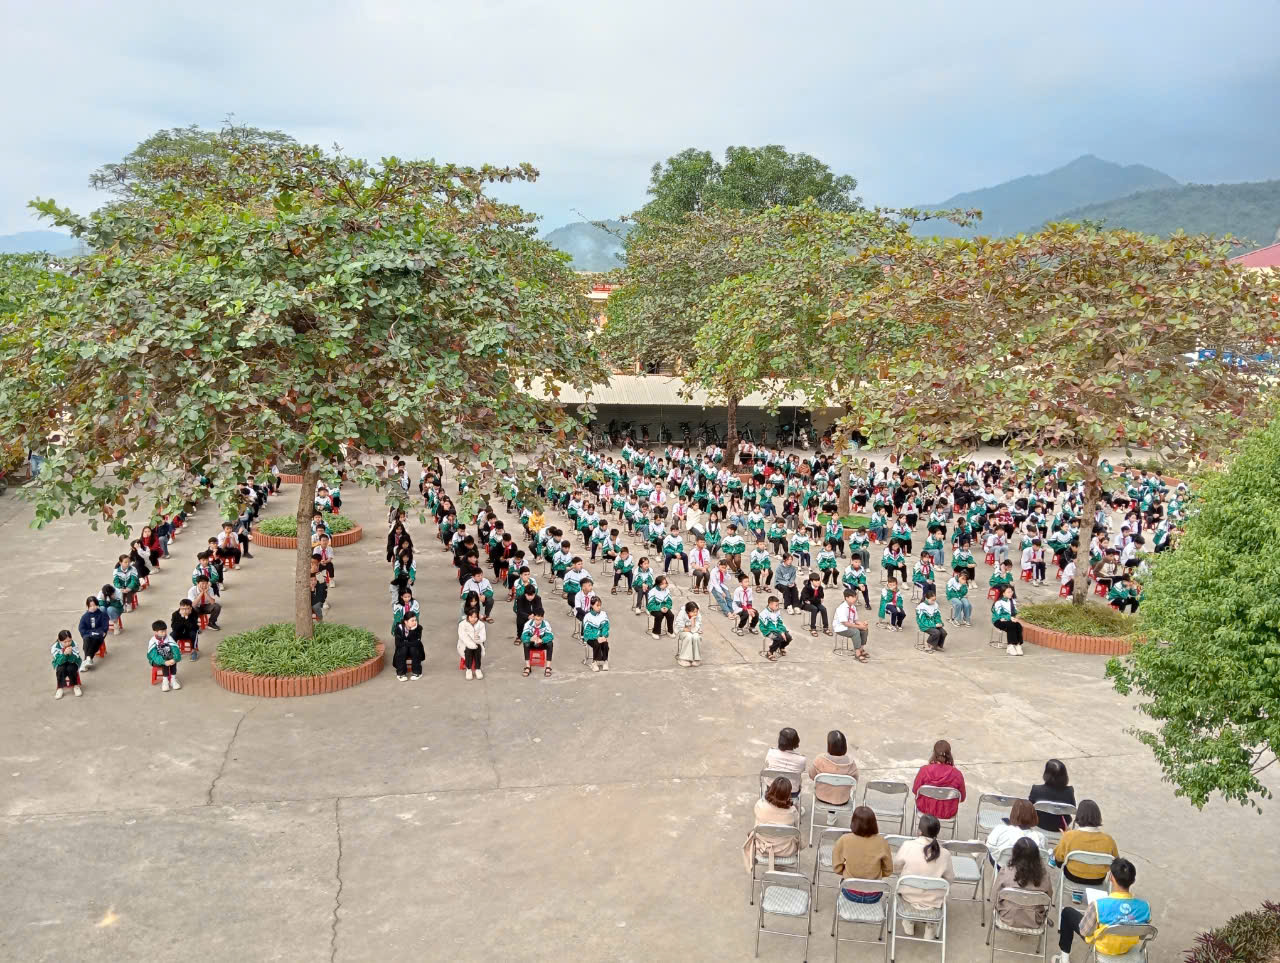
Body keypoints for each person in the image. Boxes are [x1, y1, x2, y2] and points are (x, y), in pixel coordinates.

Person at [1053, 858, 1150, 963]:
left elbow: (1085, 932)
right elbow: (1142, 935)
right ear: (1133, 881)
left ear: (1111, 877)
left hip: (1103, 948)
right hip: (1128, 948)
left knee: (1067, 913)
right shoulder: (1145, 907)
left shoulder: (1098, 905)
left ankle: (1064, 959)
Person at [893, 814, 955, 940]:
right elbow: (950, 879)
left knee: (902, 880)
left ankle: (909, 920)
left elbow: (896, 868)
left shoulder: (907, 846)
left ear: (919, 831)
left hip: (908, 896)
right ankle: (930, 926)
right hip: (933, 900)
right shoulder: (945, 854)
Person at [1052, 799, 1119, 888]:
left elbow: (1058, 859)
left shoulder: (1069, 836)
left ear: (1078, 816)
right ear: (1098, 816)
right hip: (1097, 879)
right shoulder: (1109, 840)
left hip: (1073, 876)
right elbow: (1116, 863)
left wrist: (1065, 838)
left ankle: (1076, 893)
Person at [832, 806, 893, 903]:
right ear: (874, 823)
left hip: (850, 892)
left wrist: (848, 872)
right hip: (874, 895)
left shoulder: (844, 839)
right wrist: (875, 875)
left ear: (853, 821)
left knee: (842, 882)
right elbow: (888, 870)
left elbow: (837, 867)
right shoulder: (882, 842)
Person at [743, 776, 802, 873]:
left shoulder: (760, 805)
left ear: (771, 789)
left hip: (763, 849)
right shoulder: (792, 812)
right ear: (788, 794)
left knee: (753, 830)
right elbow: (796, 825)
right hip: (786, 851)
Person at [994, 838, 1055, 929]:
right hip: (1034, 919)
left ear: (1015, 853)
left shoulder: (1006, 871)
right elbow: (1049, 897)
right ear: (1037, 855)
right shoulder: (1044, 875)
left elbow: (995, 894)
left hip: (1008, 915)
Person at [912, 739, 966, 821]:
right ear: (949, 754)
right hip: (947, 812)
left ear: (934, 753)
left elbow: (916, 791)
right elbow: (962, 798)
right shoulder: (957, 774)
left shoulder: (924, 770)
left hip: (925, 809)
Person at [986, 799, 1046, 868]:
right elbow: (1043, 856)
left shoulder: (1000, 829)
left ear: (1013, 813)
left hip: (1002, 866)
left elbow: (989, 847)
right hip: (1029, 871)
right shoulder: (1040, 837)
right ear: (1034, 816)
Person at [808, 730, 859, 807]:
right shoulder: (851, 764)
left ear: (829, 746)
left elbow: (812, 775)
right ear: (845, 746)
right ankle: (831, 817)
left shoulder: (819, 760)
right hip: (842, 799)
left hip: (821, 796)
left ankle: (831, 816)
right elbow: (854, 781)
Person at [1029, 759, 1077, 834]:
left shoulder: (1036, 790)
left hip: (1040, 825)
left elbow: (1030, 809)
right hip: (1060, 828)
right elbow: (1072, 809)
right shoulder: (1069, 791)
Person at [764, 727, 806, 796]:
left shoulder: (771, 753)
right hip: (791, 792)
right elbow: (801, 770)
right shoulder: (801, 759)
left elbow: (767, 764)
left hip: (771, 789)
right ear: (796, 741)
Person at [146, 620, 182, 692]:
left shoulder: (169, 638)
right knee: (166, 660)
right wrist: (164, 662)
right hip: (155, 661)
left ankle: (173, 679)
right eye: (162, 631)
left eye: (165, 631)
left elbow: (176, 650)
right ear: (156, 632)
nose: (164, 633)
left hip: (169, 658)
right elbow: (154, 656)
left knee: (171, 658)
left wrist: (175, 659)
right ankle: (165, 681)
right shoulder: (152, 641)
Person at [77, 596, 110, 669]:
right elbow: (81, 628)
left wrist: (98, 632)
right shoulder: (85, 616)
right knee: (86, 639)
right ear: (87, 606)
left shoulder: (102, 615)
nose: (93, 607)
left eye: (94, 605)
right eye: (91, 606)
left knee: (95, 639)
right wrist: (90, 633)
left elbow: (104, 627)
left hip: (99, 634)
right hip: (88, 635)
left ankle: (86, 660)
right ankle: (88, 659)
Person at [520, 611, 555, 677]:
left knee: (550, 643)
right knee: (526, 643)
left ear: (543, 618)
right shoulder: (528, 624)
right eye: (536, 619)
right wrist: (530, 639)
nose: (537, 622)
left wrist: (542, 640)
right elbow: (523, 636)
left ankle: (548, 667)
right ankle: (528, 667)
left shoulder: (546, 624)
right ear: (533, 617)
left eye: (540, 620)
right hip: (532, 644)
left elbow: (551, 636)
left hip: (541, 643)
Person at [758, 595, 792, 660]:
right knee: (778, 638)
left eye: (778, 605)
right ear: (770, 604)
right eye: (776, 605)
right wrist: (780, 632)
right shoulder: (764, 613)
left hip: (777, 629)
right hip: (767, 630)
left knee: (788, 637)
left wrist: (782, 630)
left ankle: (781, 647)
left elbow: (779, 622)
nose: (778, 607)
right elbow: (769, 626)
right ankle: (770, 652)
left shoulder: (777, 611)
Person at [51, 630, 83, 699]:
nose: (68, 643)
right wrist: (64, 654)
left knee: (71, 668)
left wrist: (71, 654)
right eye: (65, 642)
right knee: (60, 669)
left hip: (73, 662)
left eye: (69, 641)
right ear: (60, 641)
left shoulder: (74, 644)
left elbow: (75, 658)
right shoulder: (55, 647)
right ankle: (60, 688)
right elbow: (59, 661)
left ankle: (75, 685)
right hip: (60, 662)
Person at [992, 585, 1024, 656]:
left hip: (1009, 620)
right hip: (998, 620)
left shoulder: (1012, 601)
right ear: (1003, 593)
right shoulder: (998, 602)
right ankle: (1010, 646)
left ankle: (1017, 645)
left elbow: (1015, 612)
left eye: (1011, 591)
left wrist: (1017, 616)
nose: (1011, 593)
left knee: (1019, 626)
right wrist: (1009, 618)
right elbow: (999, 615)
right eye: (1008, 592)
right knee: (1011, 625)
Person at [393, 612, 425, 681]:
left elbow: (417, 643)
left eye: (415, 620)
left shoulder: (418, 628)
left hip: (414, 650)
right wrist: (409, 643)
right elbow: (398, 644)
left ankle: (417, 673)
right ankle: (401, 674)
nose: (414, 622)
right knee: (403, 648)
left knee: (413, 648)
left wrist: (413, 630)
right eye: (412, 620)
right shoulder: (399, 628)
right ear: (406, 622)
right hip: (402, 651)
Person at [582, 596, 611, 671]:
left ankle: (605, 661)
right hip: (590, 637)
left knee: (605, 643)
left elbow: (606, 627)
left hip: (601, 637)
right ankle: (594, 662)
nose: (599, 607)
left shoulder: (603, 614)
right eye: (597, 605)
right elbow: (587, 632)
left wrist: (604, 636)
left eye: (600, 605)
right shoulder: (587, 617)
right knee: (596, 643)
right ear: (592, 605)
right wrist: (597, 637)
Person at [457, 609, 486, 680]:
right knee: (469, 649)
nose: (473, 619)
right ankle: (469, 669)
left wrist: (478, 638)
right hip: (465, 644)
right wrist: (471, 644)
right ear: (468, 616)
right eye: (471, 617)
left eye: (475, 617)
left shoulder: (481, 624)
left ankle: (478, 669)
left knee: (478, 648)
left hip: (477, 643)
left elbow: (483, 637)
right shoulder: (462, 624)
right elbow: (463, 636)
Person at [915, 585, 946, 651]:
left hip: (934, 624)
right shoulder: (921, 607)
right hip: (924, 625)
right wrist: (934, 625)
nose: (934, 602)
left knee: (943, 632)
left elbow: (937, 615)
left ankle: (938, 645)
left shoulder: (935, 605)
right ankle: (928, 644)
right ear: (926, 598)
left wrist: (939, 622)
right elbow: (923, 621)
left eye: (935, 600)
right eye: (932, 600)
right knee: (936, 632)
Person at [800, 571, 831, 636]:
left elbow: (821, 598)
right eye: (816, 581)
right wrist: (816, 600)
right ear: (811, 581)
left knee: (823, 609)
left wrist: (813, 600)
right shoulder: (806, 588)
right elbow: (805, 599)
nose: (818, 582)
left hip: (815, 603)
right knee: (814, 609)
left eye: (819, 580)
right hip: (805, 605)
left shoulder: (820, 588)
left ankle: (825, 627)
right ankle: (813, 628)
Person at [674, 601, 703, 667]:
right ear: (688, 612)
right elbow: (680, 626)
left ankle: (696, 658)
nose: (695, 613)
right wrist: (689, 629)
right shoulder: (682, 613)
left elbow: (696, 628)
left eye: (696, 611)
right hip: (682, 631)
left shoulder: (697, 614)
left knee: (696, 637)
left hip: (693, 630)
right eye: (693, 612)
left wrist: (693, 621)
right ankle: (683, 658)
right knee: (689, 636)